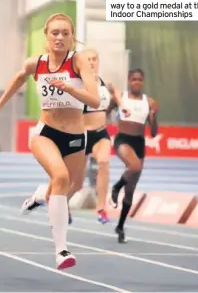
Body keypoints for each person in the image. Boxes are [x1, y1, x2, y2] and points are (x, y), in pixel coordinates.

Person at [0, 13, 99, 270]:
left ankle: (40, 195)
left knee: (74, 185)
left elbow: (94, 101)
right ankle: (62, 251)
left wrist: (70, 89)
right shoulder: (37, 63)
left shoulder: (78, 61)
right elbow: (19, 77)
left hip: (76, 136)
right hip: (45, 132)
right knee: (60, 177)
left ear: (71, 37)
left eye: (65, 33)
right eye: (55, 33)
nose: (60, 38)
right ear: (46, 36)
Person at [23, 48, 123, 225]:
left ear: (98, 61)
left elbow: (116, 106)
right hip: (81, 134)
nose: (91, 62)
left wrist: (119, 100)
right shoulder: (76, 81)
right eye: (88, 59)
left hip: (101, 133)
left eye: (94, 59)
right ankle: (51, 199)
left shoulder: (104, 84)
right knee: (75, 183)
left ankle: (101, 207)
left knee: (104, 161)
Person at [110, 69, 158, 243]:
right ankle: (115, 188)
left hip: (139, 143)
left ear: (143, 82)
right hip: (123, 139)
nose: (137, 82)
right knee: (134, 166)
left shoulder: (149, 102)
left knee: (130, 191)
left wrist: (152, 118)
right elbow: (104, 111)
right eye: (134, 79)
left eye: (140, 80)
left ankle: (120, 227)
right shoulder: (121, 97)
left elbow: (153, 133)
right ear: (129, 81)